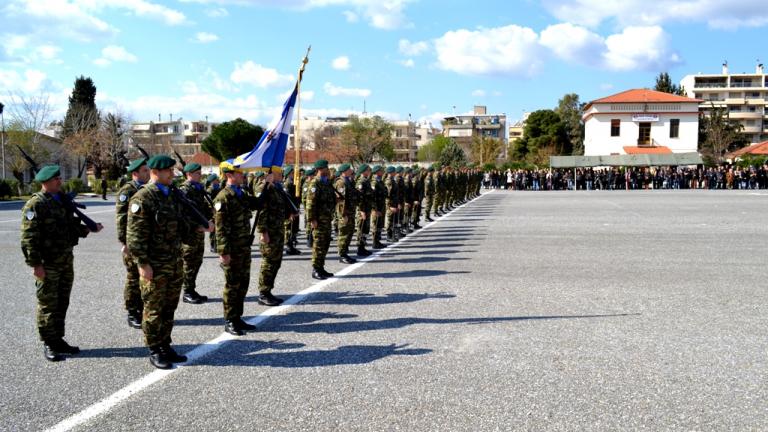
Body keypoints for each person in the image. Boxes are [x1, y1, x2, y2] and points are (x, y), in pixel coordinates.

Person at [127, 155, 209, 369]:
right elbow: (135, 237)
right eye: (169, 171)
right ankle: (154, 348)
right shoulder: (142, 198)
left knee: (169, 307)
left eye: (173, 170)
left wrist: (198, 227)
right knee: (153, 308)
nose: (173, 174)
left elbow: (180, 225)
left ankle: (165, 344)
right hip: (154, 264)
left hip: (174, 261)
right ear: (156, 172)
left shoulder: (172, 195)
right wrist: (143, 264)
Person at [21, 165, 103, 362]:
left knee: (62, 302)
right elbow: (29, 238)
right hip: (47, 264)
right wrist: (36, 265)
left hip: (66, 260)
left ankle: (58, 339)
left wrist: (88, 229)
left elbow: (69, 227)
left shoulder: (62, 200)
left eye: (59, 177)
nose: (60, 181)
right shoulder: (36, 204)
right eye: (55, 179)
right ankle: (49, 342)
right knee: (47, 304)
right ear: (45, 182)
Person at [213, 162, 265, 335]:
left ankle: (237, 317)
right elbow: (220, 228)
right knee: (232, 285)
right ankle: (229, 320)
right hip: (232, 248)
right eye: (239, 173)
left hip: (243, 246)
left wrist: (267, 184)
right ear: (229, 175)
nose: (242, 175)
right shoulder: (223, 197)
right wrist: (223, 252)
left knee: (243, 283)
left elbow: (257, 204)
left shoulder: (241, 193)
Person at [254, 169, 297, 306]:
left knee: (276, 262)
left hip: (278, 230)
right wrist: (263, 232)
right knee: (268, 262)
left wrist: (288, 214)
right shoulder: (263, 188)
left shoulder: (277, 188)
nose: (281, 175)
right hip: (269, 232)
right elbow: (261, 212)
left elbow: (279, 207)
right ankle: (263, 293)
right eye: (278, 172)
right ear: (270, 174)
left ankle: (268, 291)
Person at [115, 157, 149, 329]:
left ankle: (143, 310)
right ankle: (132, 311)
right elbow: (121, 219)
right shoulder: (127, 190)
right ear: (135, 173)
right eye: (144, 171)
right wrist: (125, 242)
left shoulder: (147, 189)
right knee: (133, 278)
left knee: (144, 278)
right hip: (132, 243)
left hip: (145, 243)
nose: (148, 173)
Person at [179, 162, 213, 305]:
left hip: (199, 233)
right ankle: (187, 292)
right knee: (188, 263)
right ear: (188, 174)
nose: (200, 175)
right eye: (197, 173)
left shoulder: (198, 189)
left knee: (197, 262)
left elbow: (202, 208)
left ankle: (191, 289)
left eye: (200, 173)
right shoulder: (184, 191)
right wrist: (197, 226)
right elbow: (182, 215)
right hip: (189, 234)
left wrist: (210, 219)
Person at [305, 159, 336, 280]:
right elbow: (310, 203)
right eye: (325, 168)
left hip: (327, 218)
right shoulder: (315, 183)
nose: (327, 169)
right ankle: (316, 269)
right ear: (319, 169)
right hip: (318, 220)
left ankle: (321, 267)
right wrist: (312, 219)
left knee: (325, 243)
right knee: (318, 245)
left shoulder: (326, 182)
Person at [334, 163, 359, 264]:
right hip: (345, 213)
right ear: (344, 171)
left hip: (350, 212)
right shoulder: (341, 183)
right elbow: (341, 201)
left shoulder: (348, 181)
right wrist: (343, 215)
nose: (351, 171)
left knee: (350, 232)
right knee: (344, 233)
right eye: (349, 169)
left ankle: (345, 253)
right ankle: (342, 254)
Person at [354, 163, 374, 257]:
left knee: (366, 229)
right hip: (362, 209)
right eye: (368, 170)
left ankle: (363, 247)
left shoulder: (366, 180)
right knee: (361, 228)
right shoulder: (361, 182)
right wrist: (361, 210)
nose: (369, 172)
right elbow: (360, 198)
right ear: (364, 171)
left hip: (367, 208)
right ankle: (360, 248)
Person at [282, 165, 302, 256]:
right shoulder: (288, 183)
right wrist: (291, 211)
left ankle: (291, 246)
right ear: (289, 173)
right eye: (293, 173)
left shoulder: (292, 182)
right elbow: (288, 199)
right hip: (290, 209)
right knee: (289, 228)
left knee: (293, 228)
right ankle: (289, 247)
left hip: (294, 208)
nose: (294, 174)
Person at [370, 165, 387, 249]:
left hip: (381, 206)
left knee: (379, 224)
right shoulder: (374, 182)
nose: (383, 172)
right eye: (381, 170)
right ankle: (374, 242)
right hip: (376, 207)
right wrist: (374, 209)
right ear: (377, 172)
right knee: (375, 224)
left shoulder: (380, 181)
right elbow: (372, 197)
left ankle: (377, 241)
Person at [205, 173, 222, 253]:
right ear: (213, 181)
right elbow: (208, 202)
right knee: (213, 230)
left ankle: (218, 245)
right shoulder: (209, 190)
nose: (218, 180)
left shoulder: (219, 188)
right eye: (216, 179)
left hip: (219, 211)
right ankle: (213, 245)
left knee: (219, 229)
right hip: (212, 212)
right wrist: (213, 210)